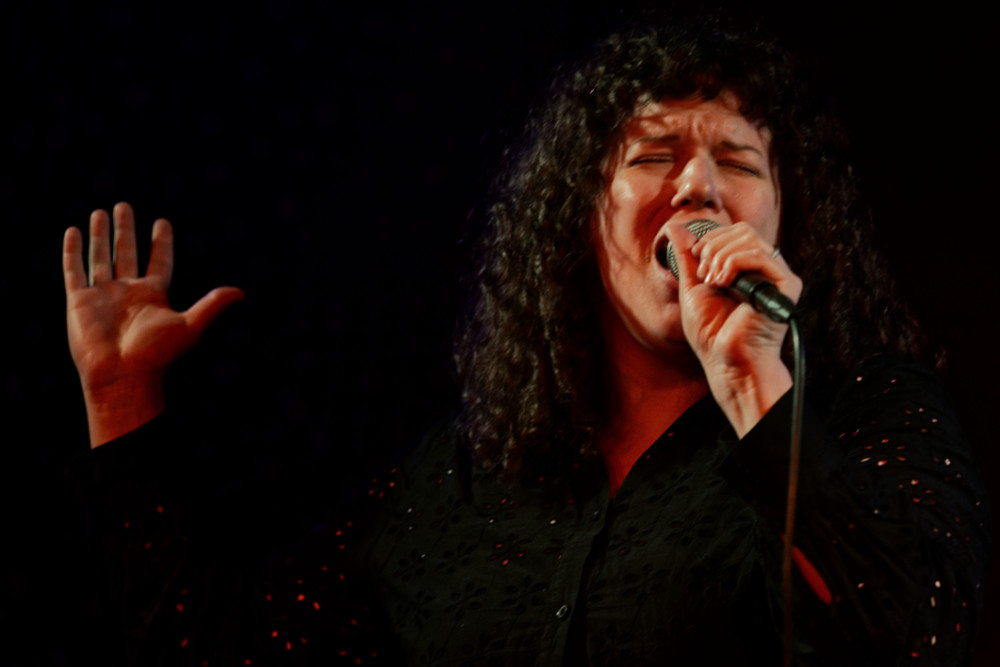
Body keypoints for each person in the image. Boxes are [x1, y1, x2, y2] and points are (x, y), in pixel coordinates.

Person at [63, 17, 990, 666]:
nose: (698, 187)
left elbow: (917, 637)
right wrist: (120, 400)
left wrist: (755, 386)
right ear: (583, 219)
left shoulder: (868, 409)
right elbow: (223, 651)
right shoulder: (463, 477)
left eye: (738, 161)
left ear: (786, 218)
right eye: (654, 156)